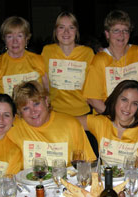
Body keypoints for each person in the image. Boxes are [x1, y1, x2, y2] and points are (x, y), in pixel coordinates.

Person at [41, 12, 98, 156]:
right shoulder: (47, 51)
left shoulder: (87, 53)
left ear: (76, 31)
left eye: (71, 27)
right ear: (55, 31)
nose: (66, 32)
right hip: (55, 115)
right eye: (61, 27)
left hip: (82, 115)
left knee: (86, 160)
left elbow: (95, 84)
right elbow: (44, 84)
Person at [83, 10, 138, 114]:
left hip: (136, 116)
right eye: (116, 30)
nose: (121, 35)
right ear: (107, 34)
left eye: (125, 30)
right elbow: (92, 98)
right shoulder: (99, 59)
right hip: (108, 118)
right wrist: (115, 118)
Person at [10, 80, 96, 168]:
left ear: (46, 101)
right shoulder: (13, 127)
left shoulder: (71, 125)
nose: (33, 111)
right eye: (25, 108)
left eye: (36, 104)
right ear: (19, 111)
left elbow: (88, 164)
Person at [77, 80, 138, 171]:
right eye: (124, 100)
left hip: (134, 182)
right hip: (107, 181)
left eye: (134, 103)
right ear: (115, 99)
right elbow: (67, 122)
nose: (127, 107)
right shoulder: (101, 122)